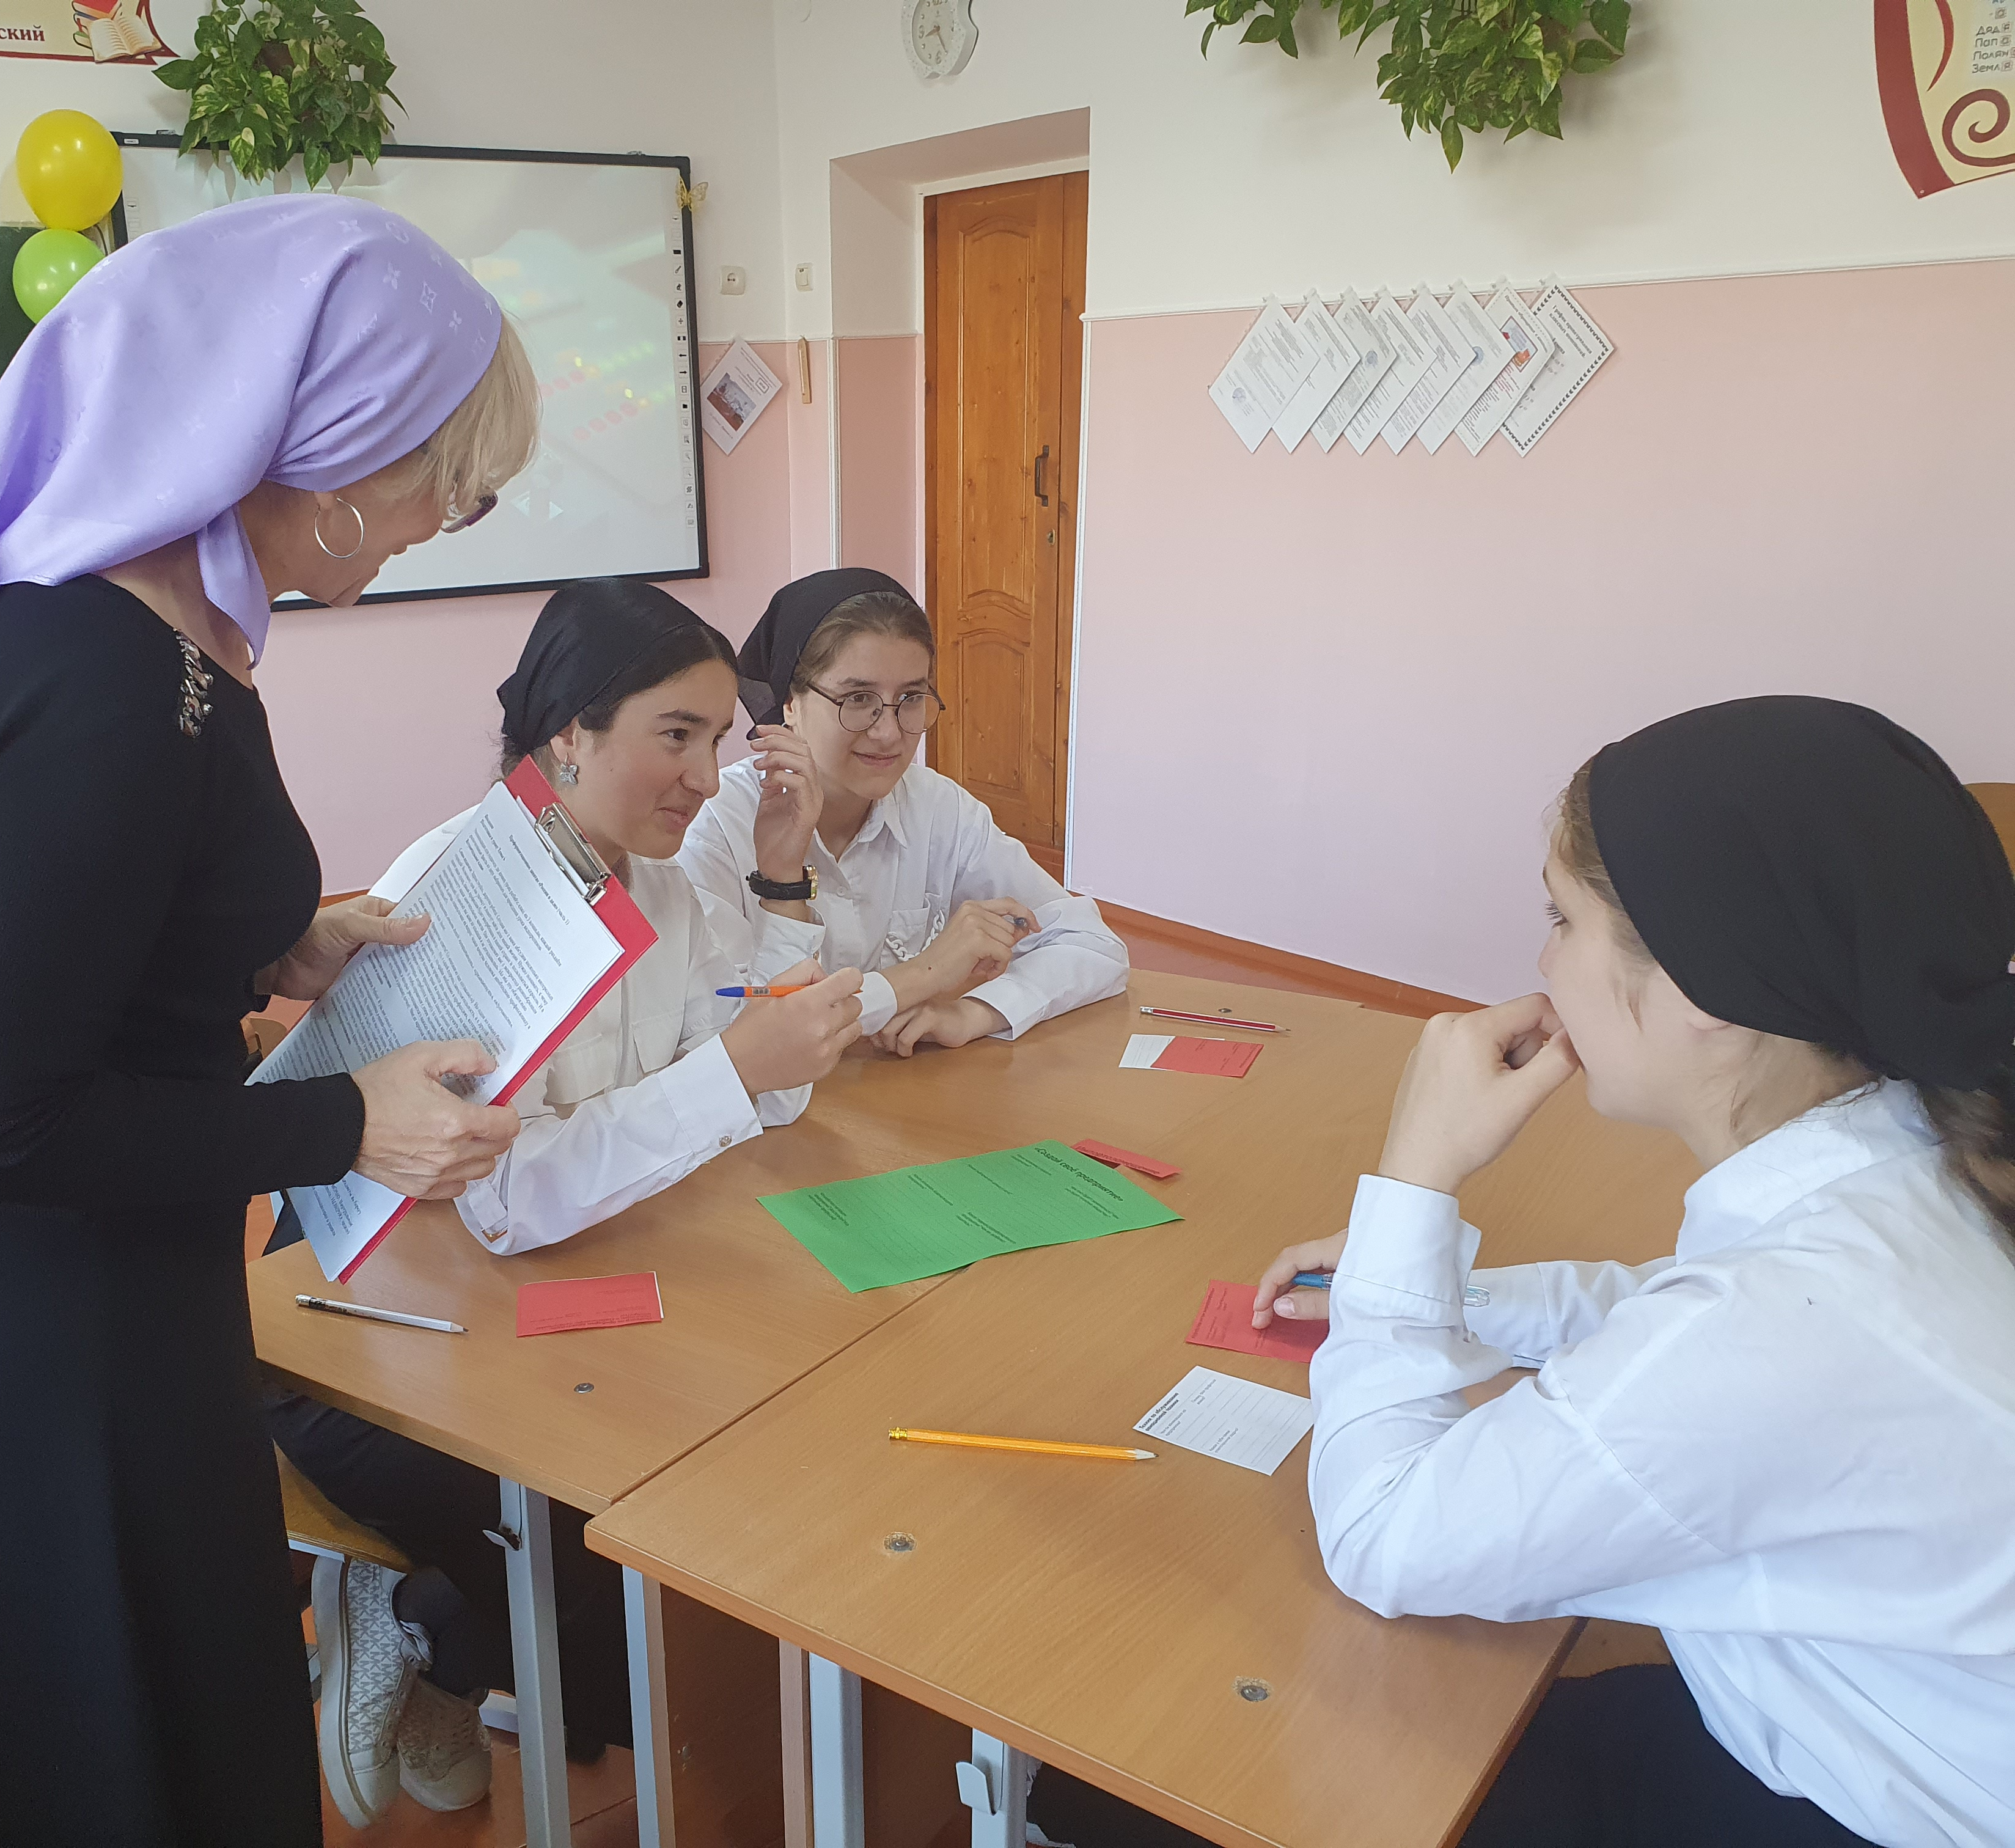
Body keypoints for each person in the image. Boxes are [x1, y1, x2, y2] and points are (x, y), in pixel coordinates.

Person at [0, 195, 540, 1848]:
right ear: (334, 449)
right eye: (445, 481)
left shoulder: (149, 627)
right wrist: (348, 1121)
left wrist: (278, 942)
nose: (442, 523)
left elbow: (91, 937)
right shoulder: (110, 690)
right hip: (22, 1336)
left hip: (101, 1291)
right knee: (101, 1768)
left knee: (187, 1729)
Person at [1035, 696, 2015, 1848]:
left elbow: (1387, 1535)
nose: (1541, 960)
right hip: (1826, 1713)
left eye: (1561, 918)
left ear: (1701, 983)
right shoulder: (1913, 1155)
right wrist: (1429, 1286)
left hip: (1845, 1800)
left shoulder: (1775, 1334)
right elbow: (1671, 1311)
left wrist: (1417, 1171)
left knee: (1124, 1787)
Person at [266, 578, 868, 1821]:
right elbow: (505, 1197)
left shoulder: (656, 880)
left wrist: (777, 882)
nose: (705, 776)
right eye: (674, 733)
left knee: (736, 1477)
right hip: (365, 1331)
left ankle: (442, 1633)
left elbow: (762, 1087)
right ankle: (426, 1621)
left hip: (535, 1289)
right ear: (568, 734)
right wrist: (733, 1072)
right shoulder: (466, 891)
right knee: (611, 1563)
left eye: (718, 737)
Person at [679, 568, 1127, 1057]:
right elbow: (728, 1041)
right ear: (790, 701)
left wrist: (978, 1012)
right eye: (858, 699)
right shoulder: (713, 827)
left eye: (911, 698)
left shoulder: (937, 808)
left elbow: (1091, 944)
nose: (889, 733)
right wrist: (926, 974)